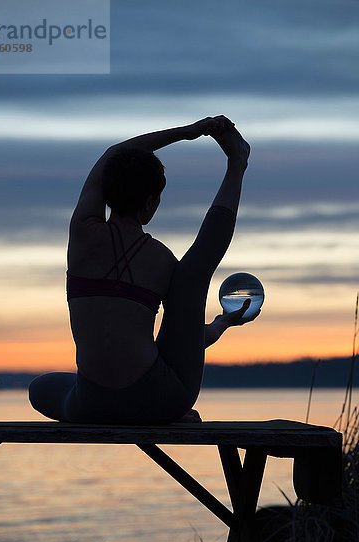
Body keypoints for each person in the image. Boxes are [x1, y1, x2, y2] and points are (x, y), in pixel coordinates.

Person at [29, 115, 259, 425]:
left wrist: (188, 132)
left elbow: (111, 156)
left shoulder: (82, 234)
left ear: (107, 194)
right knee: (196, 268)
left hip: (90, 406)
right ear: (151, 202)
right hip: (159, 402)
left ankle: (113, 401)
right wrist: (221, 324)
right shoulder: (161, 261)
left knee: (39, 387)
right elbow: (187, 340)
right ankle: (238, 165)